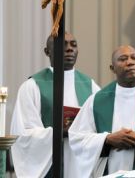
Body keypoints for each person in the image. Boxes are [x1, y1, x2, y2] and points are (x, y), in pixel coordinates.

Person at [69, 45, 135, 177]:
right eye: (123, 59)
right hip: (109, 173)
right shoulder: (96, 101)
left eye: (134, 58)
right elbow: (77, 139)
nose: (130, 62)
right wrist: (107, 139)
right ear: (112, 68)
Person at [10, 32, 100, 178]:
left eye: (73, 44)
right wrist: (59, 132)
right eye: (63, 44)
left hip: (81, 165)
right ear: (47, 51)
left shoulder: (90, 86)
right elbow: (23, 133)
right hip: (48, 167)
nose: (69, 48)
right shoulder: (32, 86)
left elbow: (100, 127)